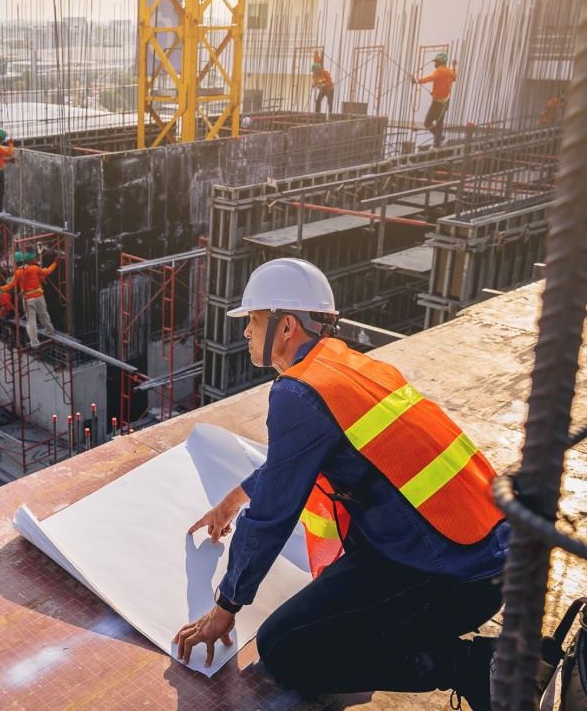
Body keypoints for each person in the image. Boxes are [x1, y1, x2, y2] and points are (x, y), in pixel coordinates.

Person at [173, 257, 509, 711]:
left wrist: (226, 606)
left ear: (286, 325)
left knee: (286, 651)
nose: (247, 332)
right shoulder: (347, 368)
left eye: (253, 320)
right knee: (318, 621)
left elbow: (271, 519)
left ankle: (467, 663)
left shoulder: (297, 392)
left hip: (453, 574)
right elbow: (289, 466)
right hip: (477, 550)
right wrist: (233, 499)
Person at [0, 250, 58, 349]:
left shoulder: (18, 273)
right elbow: (47, 272)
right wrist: (55, 262)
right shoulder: (34, 268)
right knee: (44, 314)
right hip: (39, 296)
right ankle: (49, 329)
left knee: (31, 321)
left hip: (28, 299)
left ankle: (34, 343)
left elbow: (10, 286)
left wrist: (0, 288)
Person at [411, 52, 457, 149]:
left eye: (436, 62)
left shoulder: (439, 71)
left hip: (437, 103)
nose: (434, 64)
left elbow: (429, 78)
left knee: (427, 123)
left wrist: (417, 81)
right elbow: (454, 77)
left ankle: (437, 144)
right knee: (439, 123)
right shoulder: (449, 72)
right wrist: (454, 66)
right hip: (445, 102)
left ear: (439, 62)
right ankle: (440, 139)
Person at [311, 51, 334, 117]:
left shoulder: (325, 73)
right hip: (322, 90)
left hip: (329, 89)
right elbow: (315, 82)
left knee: (330, 102)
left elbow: (329, 82)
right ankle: (317, 113)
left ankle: (330, 115)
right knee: (318, 101)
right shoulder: (314, 75)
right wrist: (315, 85)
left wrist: (324, 84)